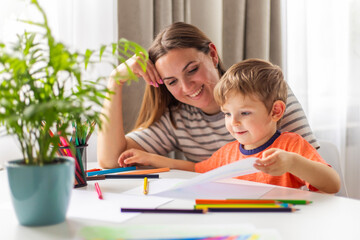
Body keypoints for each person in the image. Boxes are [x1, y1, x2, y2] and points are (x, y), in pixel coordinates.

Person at [98, 22, 319, 170]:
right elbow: (110, 161)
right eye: (172, 81)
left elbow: (315, 167)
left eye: (192, 70)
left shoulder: (264, 92)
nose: (186, 87)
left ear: (212, 54)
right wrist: (114, 82)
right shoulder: (178, 118)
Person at [119, 58, 340, 194]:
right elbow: (196, 169)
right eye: (227, 114)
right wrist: (153, 159)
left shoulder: (291, 146)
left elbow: (332, 185)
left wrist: (293, 163)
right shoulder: (228, 153)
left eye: (244, 113)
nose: (233, 123)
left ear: (276, 111)